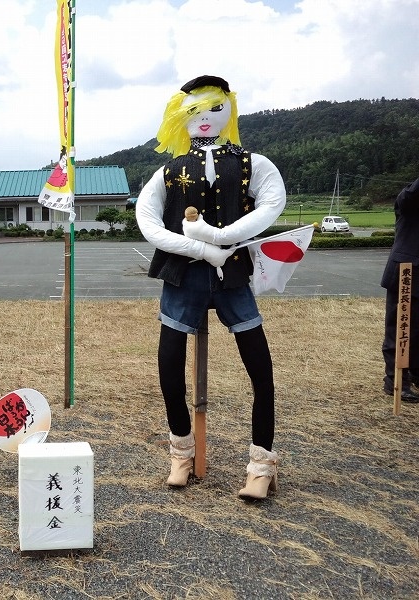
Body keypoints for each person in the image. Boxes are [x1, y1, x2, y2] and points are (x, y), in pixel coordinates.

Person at [136, 75, 286, 500]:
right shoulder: (168, 170)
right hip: (183, 275)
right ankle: (180, 452)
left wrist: (222, 239)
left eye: (215, 108)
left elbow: (272, 202)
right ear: (179, 117)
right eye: (194, 110)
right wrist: (201, 249)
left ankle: (262, 464)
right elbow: (147, 221)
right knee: (169, 366)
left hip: (232, 273)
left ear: (229, 110)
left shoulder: (251, 162)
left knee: (260, 368)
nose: (205, 118)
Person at [381, 177, 419, 403]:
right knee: (400, 329)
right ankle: (396, 380)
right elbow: (411, 195)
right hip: (407, 271)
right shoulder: (407, 201)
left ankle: (416, 374)